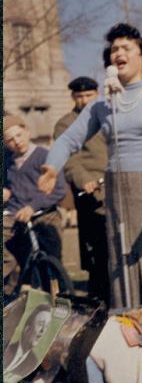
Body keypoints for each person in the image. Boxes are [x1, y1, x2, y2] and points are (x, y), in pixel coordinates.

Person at [40, 24, 142, 347]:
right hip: (120, 197)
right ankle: (141, 361)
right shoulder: (103, 105)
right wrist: (51, 165)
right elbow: (69, 139)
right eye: (114, 49)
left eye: (126, 47)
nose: (118, 52)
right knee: (126, 281)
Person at [54, 76, 110, 304]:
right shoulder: (66, 124)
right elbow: (69, 160)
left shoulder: (109, 114)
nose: (84, 100)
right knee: (96, 252)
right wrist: (84, 180)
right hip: (90, 192)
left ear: (97, 93)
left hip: (119, 187)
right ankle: (100, 300)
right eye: (79, 96)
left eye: (89, 95)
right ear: (73, 97)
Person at [3, 116, 67, 295]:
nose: (16, 142)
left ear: (27, 131)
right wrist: (6, 192)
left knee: (50, 261)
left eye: (19, 135)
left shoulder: (44, 156)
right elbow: (11, 187)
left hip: (43, 212)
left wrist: (32, 207)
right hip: (16, 213)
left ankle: (56, 296)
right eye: (10, 139)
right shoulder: (8, 162)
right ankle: (10, 287)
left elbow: (59, 189)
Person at [4, 303, 52, 380]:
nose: (42, 331)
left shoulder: (34, 361)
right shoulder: (7, 348)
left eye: (46, 326)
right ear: (27, 327)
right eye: (40, 324)